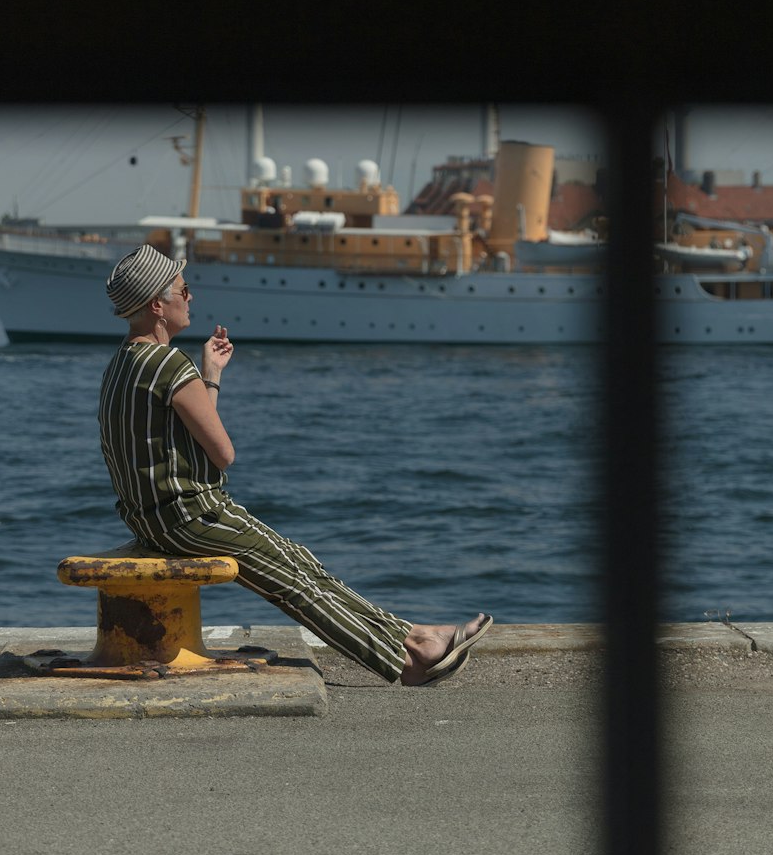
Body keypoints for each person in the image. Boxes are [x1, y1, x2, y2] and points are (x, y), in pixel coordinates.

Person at [98, 244, 492, 685]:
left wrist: (211, 373)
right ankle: (405, 663)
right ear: (157, 304)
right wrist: (204, 376)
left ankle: (414, 636)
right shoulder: (169, 365)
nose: (190, 298)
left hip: (150, 519)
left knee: (297, 562)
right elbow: (223, 453)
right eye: (183, 289)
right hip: (190, 515)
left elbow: (189, 432)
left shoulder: (122, 363)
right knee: (293, 580)